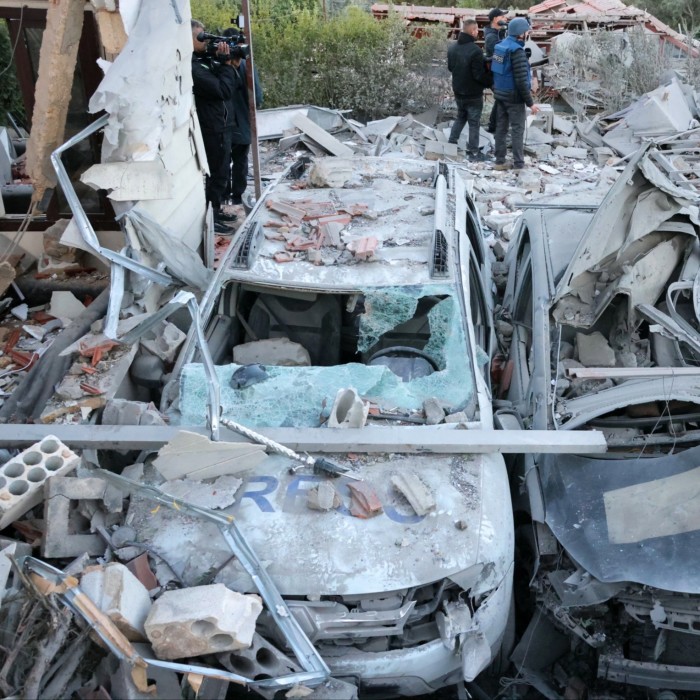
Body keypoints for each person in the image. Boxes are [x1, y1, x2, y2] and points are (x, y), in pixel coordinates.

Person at [191, 20, 238, 233]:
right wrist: (225, 66)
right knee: (215, 174)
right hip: (211, 128)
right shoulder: (194, 66)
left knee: (222, 173)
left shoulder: (206, 61)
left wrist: (226, 62)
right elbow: (222, 90)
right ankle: (210, 219)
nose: (205, 40)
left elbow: (231, 85)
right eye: (200, 37)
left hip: (222, 124)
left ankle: (216, 209)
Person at [491, 17, 539, 171]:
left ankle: (499, 161)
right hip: (514, 97)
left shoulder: (500, 47)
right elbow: (520, 81)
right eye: (526, 31)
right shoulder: (517, 52)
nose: (527, 34)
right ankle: (519, 164)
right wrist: (530, 103)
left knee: (501, 128)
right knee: (517, 130)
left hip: (500, 94)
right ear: (520, 33)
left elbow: (495, 71)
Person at [447, 19, 493, 162]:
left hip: (458, 91)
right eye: (477, 29)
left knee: (461, 117)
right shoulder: (475, 51)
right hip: (473, 93)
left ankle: (451, 145)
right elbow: (478, 75)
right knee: (474, 123)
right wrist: (490, 79)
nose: (478, 32)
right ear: (472, 31)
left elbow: (450, 68)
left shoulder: (452, 48)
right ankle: (473, 152)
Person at [484, 8, 508, 134]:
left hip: (501, 73)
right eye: (502, 16)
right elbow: (496, 57)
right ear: (495, 19)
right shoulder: (491, 37)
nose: (505, 19)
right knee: (502, 98)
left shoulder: (500, 33)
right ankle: (494, 127)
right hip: (495, 74)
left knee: (501, 99)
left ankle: (494, 126)